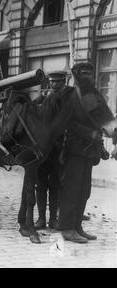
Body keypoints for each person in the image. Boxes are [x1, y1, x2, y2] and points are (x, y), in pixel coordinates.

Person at [57, 62, 109, 243]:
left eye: (90, 73)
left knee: (84, 191)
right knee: (71, 190)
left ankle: (77, 226)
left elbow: (103, 123)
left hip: (90, 151)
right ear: (77, 76)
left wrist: (102, 142)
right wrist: (90, 133)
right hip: (74, 149)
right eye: (84, 74)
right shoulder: (69, 95)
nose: (88, 77)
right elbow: (67, 123)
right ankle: (66, 228)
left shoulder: (95, 96)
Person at [34, 71, 67, 230]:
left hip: (58, 150)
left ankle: (53, 219)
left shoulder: (67, 101)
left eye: (57, 82)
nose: (54, 85)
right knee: (40, 185)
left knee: (55, 186)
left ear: (63, 83)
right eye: (52, 82)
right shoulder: (43, 99)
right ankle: (41, 218)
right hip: (43, 149)